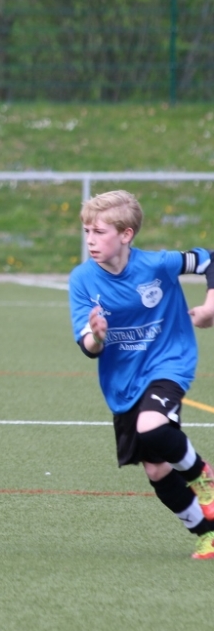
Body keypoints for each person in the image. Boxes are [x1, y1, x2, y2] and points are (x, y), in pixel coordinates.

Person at [68, 189, 214, 560]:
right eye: (87, 231)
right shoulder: (82, 279)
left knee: (151, 425)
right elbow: (87, 346)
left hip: (170, 361)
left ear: (126, 234)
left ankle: (203, 476)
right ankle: (207, 534)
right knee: (156, 469)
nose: (90, 240)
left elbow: (209, 260)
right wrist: (98, 336)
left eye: (99, 232)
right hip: (123, 382)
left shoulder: (158, 264)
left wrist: (211, 306)